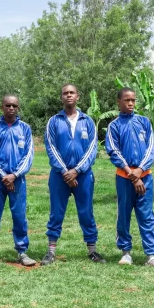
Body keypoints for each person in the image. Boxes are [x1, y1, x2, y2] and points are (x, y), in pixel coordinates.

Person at [42, 84, 104, 265]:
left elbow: (92, 148)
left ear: (78, 96)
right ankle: (51, 251)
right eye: (65, 93)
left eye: (72, 93)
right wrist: (64, 171)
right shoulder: (54, 121)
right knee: (56, 212)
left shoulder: (88, 121)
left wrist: (77, 170)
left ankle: (92, 250)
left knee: (86, 212)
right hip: (59, 176)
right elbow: (51, 147)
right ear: (61, 97)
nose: (68, 95)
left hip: (83, 176)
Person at [105, 87, 154, 266]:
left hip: (145, 177)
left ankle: (151, 254)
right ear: (119, 102)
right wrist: (132, 175)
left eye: (133, 100)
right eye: (127, 100)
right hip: (124, 178)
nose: (131, 103)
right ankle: (126, 252)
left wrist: (140, 172)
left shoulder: (144, 122)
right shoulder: (114, 126)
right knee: (124, 214)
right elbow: (113, 151)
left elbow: (151, 149)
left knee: (146, 215)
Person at [0, 95, 36, 266]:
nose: (11, 108)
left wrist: (15, 175)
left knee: (19, 215)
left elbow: (28, 155)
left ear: (18, 108)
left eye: (14, 105)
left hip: (17, 180)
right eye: (8, 105)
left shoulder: (25, 129)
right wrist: (3, 175)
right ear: (1, 107)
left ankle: (22, 251)